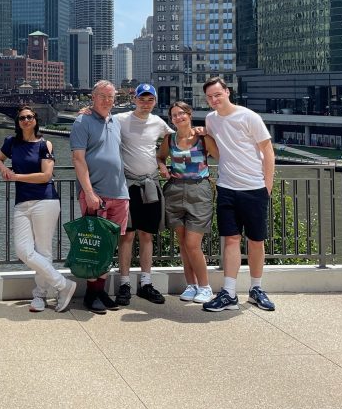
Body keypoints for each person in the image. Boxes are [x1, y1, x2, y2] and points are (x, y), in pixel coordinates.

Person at [201, 77, 276, 312]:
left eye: (217, 95)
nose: (214, 100)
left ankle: (256, 289)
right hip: (226, 188)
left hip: (254, 188)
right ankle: (229, 293)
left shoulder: (249, 116)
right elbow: (216, 151)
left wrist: (267, 186)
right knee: (231, 239)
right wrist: (203, 135)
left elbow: (268, 150)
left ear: (227, 92)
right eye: (210, 97)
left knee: (256, 241)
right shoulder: (211, 119)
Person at [0, 107, 77, 313]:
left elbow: (46, 176)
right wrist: (4, 168)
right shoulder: (11, 143)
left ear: (35, 120)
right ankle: (63, 285)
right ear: (18, 121)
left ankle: (40, 295)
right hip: (22, 202)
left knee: (43, 250)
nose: (26, 120)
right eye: (22, 117)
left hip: (45, 200)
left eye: (30, 117)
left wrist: (17, 177)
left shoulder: (44, 144)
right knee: (23, 250)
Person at [70, 80, 129, 314]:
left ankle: (101, 290)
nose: (107, 101)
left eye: (110, 97)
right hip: (96, 194)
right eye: (102, 96)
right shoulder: (82, 121)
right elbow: (77, 159)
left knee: (109, 246)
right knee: (93, 245)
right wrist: (89, 192)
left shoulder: (116, 121)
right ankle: (91, 295)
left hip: (120, 193)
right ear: (92, 98)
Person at [114, 83, 173, 307]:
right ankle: (125, 283)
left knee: (146, 235)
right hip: (127, 185)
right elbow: (100, 123)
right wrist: (86, 111)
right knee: (127, 236)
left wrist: (198, 132)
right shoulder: (121, 119)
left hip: (150, 183)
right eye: (142, 99)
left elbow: (176, 139)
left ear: (155, 102)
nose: (145, 103)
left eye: (150, 100)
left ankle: (146, 282)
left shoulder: (158, 123)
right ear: (134, 99)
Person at [157, 101, 219, 304]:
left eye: (181, 114)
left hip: (199, 190)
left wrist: (211, 131)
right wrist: (163, 167)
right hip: (175, 190)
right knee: (183, 244)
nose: (178, 118)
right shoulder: (169, 139)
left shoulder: (203, 138)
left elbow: (220, 155)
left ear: (189, 114)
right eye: (174, 115)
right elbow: (160, 157)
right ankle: (191, 285)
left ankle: (205, 287)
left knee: (193, 244)